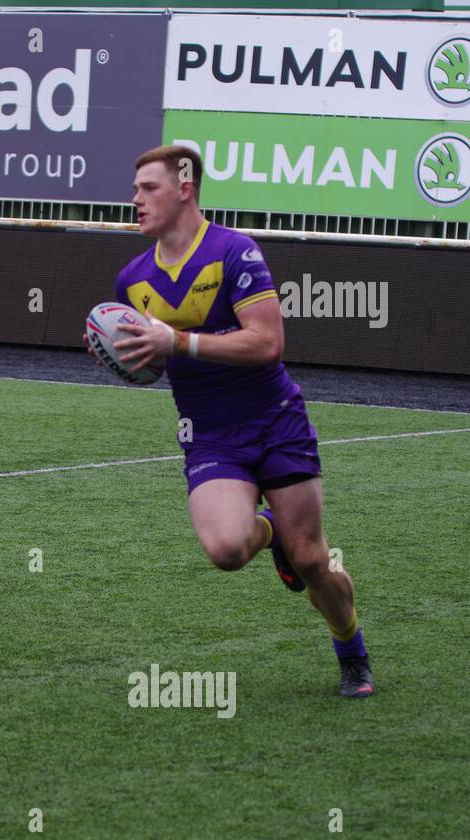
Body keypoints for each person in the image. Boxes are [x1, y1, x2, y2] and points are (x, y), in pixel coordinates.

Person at [94, 144, 372, 698]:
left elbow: (268, 342)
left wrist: (179, 340)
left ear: (185, 188)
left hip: (275, 420)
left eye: (148, 188)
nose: (136, 200)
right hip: (210, 432)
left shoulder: (233, 251)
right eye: (135, 189)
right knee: (225, 551)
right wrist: (117, 353)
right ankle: (271, 533)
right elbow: (150, 359)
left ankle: (352, 653)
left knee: (314, 560)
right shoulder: (133, 278)